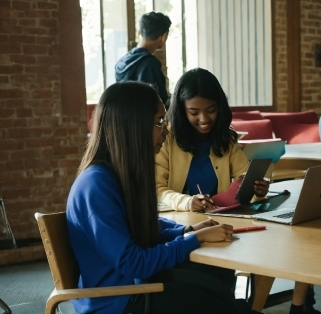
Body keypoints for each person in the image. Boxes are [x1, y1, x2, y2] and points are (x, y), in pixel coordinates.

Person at [66, 81, 248, 314]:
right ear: (133, 127)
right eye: (159, 122)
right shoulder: (96, 185)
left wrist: (185, 232)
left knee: (216, 281)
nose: (165, 129)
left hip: (135, 290)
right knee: (224, 303)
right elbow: (134, 263)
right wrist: (195, 239)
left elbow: (139, 228)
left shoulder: (117, 175)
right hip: (119, 302)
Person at [156, 68, 320, 314]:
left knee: (279, 241)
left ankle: (256, 307)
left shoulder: (226, 138)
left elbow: (244, 177)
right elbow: (157, 189)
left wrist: (257, 189)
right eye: (194, 112)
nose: (204, 119)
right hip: (182, 227)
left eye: (211, 110)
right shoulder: (166, 140)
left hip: (223, 223)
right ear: (181, 111)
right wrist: (187, 202)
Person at [115, 12, 171, 105]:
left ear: (139, 32)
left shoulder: (122, 61)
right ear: (163, 36)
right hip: (144, 118)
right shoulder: (150, 64)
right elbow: (159, 101)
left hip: (123, 117)